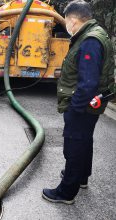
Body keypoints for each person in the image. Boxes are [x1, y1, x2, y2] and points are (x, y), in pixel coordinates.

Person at [42, 0, 115, 204]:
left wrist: (74, 108)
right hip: (90, 106)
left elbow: (88, 83)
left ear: (72, 19)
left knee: (74, 146)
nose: (66, 24)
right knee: (84, 141)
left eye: (66, 20)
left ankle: (66, 193)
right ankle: (81, 176)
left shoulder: (90, 40)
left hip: (82, 106)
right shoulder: (94, 33)